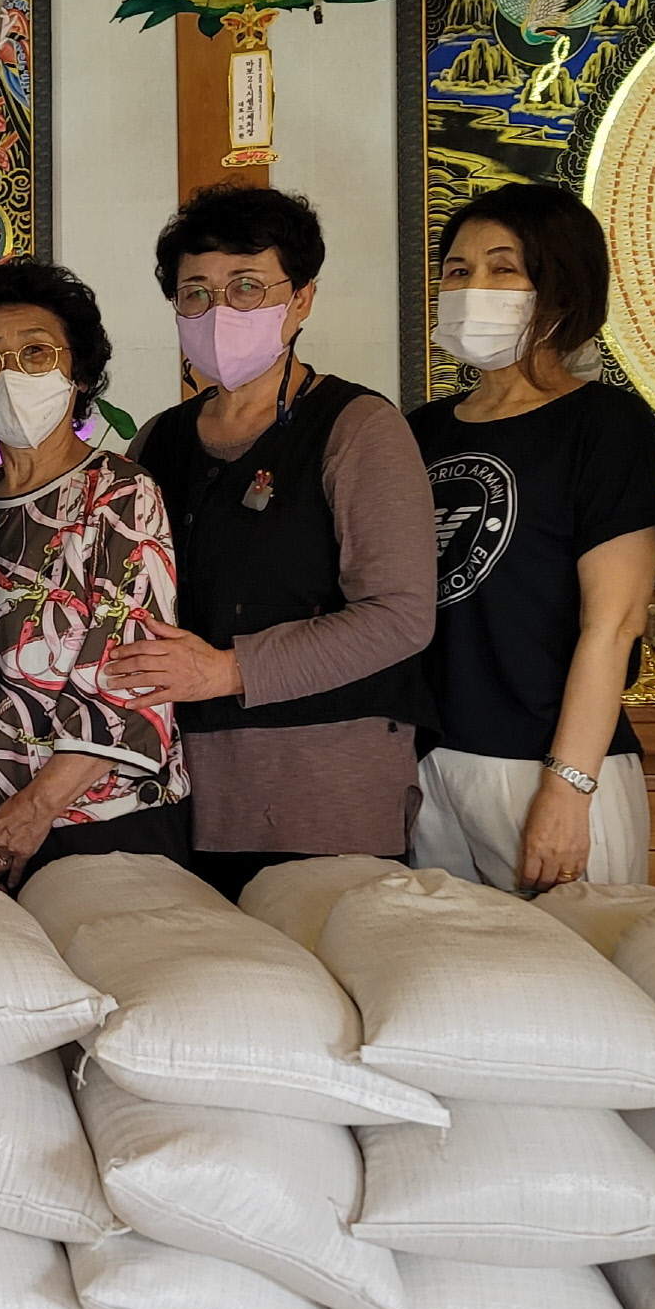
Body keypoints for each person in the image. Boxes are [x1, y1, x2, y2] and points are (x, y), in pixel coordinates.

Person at [109, 186, 438, 899]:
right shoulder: (158, 439)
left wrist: (228, 671)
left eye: (246, 287)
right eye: (195, 293)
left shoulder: (356, 429)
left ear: (302, 300)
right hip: (175, 783)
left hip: (323, 786)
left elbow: (401, 615)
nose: (218, 311)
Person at [409, 185, 655, 892]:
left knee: (582, 985)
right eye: (457, 271)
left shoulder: (605, 425)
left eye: (503, 268)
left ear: (561, 285)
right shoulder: (420, 431)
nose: (474, 287)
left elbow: (613, 625)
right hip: (430, 763)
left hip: (548, 765)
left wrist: (567, 789)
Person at [0, 260, 189, 889]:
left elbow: (131, 678)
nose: (12, 374)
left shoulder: (119, 495)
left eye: (36, 353)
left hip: (103, 822)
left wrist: (35, 809)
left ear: (79, 374)